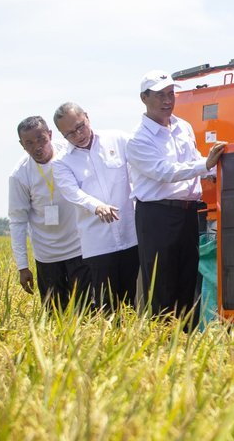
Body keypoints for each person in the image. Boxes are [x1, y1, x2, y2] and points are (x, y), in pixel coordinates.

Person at [126, 70, 226, 324]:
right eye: (160, 95)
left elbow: (194, 161)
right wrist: (205, 165)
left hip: (188, 212)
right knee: (162, 284)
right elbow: (164, 172)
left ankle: (185, 341)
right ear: (144, 98)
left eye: (171, 94)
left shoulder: (183, 127)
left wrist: (217, 168)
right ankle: (162, 340)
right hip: (157, 216)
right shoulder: (138, 139)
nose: (167, 100)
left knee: (187, 279)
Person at [52, 102, 139, 311]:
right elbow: (73, 193)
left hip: (132, 236)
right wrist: (97, 206)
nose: (78, 135)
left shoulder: (117, 139)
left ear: (87, 117)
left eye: (80, 126)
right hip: (99, 245)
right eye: (70, 134)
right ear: (62, 135)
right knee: (107, 306)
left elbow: (140, 166)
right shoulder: (61, 162)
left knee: (135, 302)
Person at [8, 116, 87, 310]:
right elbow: (17, 221)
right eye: (29, 143)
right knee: (54, 314)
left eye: (41, 139)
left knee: (86, 312)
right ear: (22, 145)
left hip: (80, 248)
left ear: (50, 135)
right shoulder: (19, 175)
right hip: (47, 256)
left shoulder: (71, 153)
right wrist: (22, 266)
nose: (37, 147)